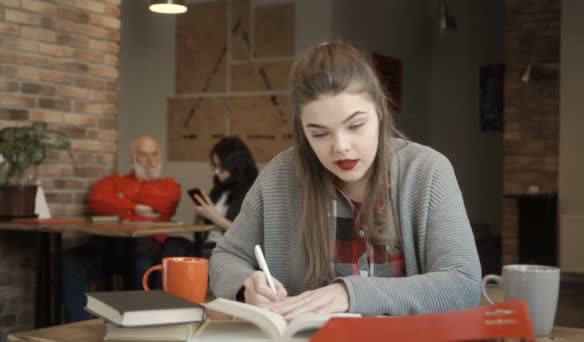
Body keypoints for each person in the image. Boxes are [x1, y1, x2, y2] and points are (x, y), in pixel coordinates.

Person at [209, 41, 481, 319]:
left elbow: (463, 285)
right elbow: (224, 258)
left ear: (379, 110)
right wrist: (246, 285)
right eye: (319, 134)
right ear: (303, 131)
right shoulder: (279, 177)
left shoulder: (428, 172)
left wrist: (350, 293)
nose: (340, 146)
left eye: (355, 126)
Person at [62, 136, 182, 322]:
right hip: (112, 245)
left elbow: (163, 204)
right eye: (143, 155)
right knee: (70, 261)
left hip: (147, 245)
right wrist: (135, 207)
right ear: (132, 158)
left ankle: (141, 327)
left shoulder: (170, 185)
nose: (150, 160)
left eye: (154, 154)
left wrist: (121, 200)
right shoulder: (114, 181)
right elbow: (98, 201)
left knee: (140, 257)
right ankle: (79, 326)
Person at [191, 136, 258, 258]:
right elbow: (199, 231)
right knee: (173, 245)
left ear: (235, 165)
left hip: (227, 250)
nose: (216, 172)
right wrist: (200, 213)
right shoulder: (219, 189)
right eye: (214, 166)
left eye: (220, 166)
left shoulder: (252, 192)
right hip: (206, 246)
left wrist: (214, 216)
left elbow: (247, 236)